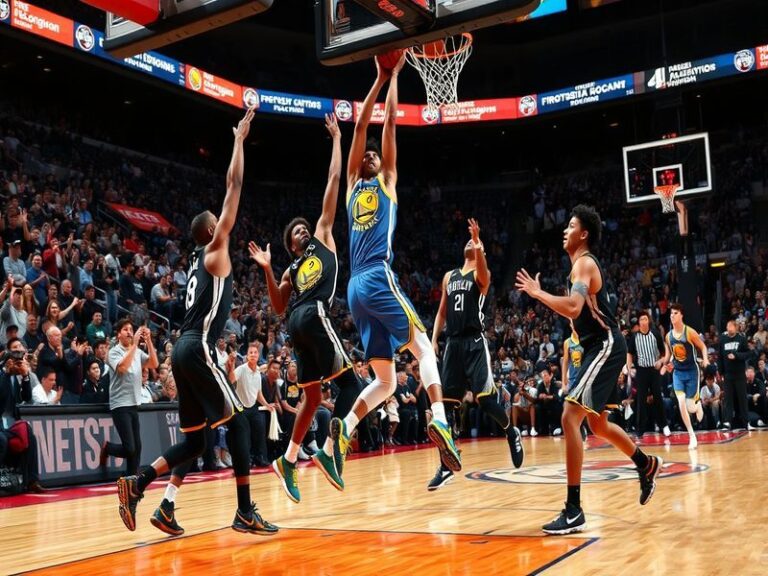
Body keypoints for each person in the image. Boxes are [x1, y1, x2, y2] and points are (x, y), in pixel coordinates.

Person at [115, 107, 278, 537]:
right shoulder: (213, 249)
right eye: (217, 220)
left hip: (181, 351)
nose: (223, 220)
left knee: (196, 441)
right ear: (211, 232)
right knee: (241, 422)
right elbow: (235, 186)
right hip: (198, 346)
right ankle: (245, 511)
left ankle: (141, 485)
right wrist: (240, 142)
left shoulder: (196, 261)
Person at [331, 55, 460, 483]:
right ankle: (440, 419)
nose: (368, 155)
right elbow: (363, 125)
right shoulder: (354, 183)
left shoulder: (387, 179)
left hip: (355, 290)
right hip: (372, 275)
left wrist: (394, 80)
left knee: (385, 381)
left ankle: (342, 433)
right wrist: (378, 77)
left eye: (373, 156)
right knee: (425, 348)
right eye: (364, 155)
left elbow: (386, 127)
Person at [516, 204, 662, 535]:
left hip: (607, 345)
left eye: (570, 225)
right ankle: (646, 464)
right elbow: (576, 313)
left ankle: (574, 509)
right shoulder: (577, 268)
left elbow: (574, 306)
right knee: (596, 425)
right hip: (600, 345)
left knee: (569, 416)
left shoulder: (584, 263)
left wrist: (538, 293)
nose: (564, 230)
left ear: (583, 234)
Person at [249, 114, 361, 502]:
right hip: (309, 313)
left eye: (303, 228)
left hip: (299, 323)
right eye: (296, 233)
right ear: (293, 247)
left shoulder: (323, 235)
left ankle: (289, 460)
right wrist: (267, 271)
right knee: (352, 384)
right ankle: (331, 451)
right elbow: (277, 304)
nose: (302, 231)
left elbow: (333, 182)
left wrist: (335, 140)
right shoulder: (292, 267)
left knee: (312, 398)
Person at [429, 218, 524, 490]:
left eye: (475, 242)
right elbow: (442, 312)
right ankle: (446, 465)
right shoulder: (450, 276)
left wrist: (480, 244)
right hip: (453, 344)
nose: (470, 241)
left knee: (485, 400)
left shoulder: (482, 274)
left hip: (474, 341)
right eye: (468, 240)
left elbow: (484, 275)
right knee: (445, 408)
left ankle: (510, 431)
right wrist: (434, 339)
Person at [101, 320, 159, 474]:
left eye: (131, 329)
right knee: (129, 448)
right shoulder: (113, 352)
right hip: (119, 404)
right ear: (118, 334)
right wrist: (134, 345)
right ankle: (108, 448)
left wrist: (149, 341)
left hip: (134, 403)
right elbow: (122, 368)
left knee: (137, 448)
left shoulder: (137, 352)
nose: (129, 332)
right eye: (125, 329)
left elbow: (154, 363)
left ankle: (133, 483)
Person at [659, 303, 708, 449]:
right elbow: (670, 356)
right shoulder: (668, 336)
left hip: (692, 371)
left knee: (690, 407)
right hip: (678, 373)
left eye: (675, 313)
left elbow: (703, 347)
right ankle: (692, 435)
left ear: (681, 315)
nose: (672, 315)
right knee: (680, 401)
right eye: (671, 313)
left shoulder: (690, 332)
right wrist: (666, 364)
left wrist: (705, 359)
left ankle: (697, 405)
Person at [626, 311, 670, 438]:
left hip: (654, 370)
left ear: (648, 321)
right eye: (641, 319)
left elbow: (663, 353)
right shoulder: (634, 337)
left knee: (657, 397)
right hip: (641, 371)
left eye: (646, 319)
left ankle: (664, 425)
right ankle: (640, 429)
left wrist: (660, 362)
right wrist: (629, 367)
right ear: (639, 323)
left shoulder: (655, 334)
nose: (644, 321)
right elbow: (630, 353)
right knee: (640, 400)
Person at [718, 320, 750, 430]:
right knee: (728, 400)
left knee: (742, 399)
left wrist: (736, 355)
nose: (729, 327)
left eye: (731, 325)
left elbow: (747, 353)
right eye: (727, 325)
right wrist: (720, 372)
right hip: (728, 375)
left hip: (740, 374)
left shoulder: (741, 339)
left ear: (736, 327)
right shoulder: (722, 339)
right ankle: (727, 422)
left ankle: (746, 422)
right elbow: (720, 356)